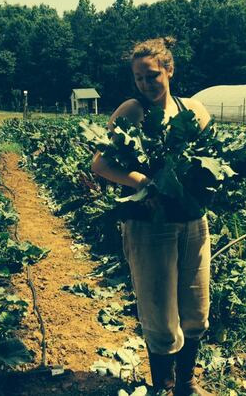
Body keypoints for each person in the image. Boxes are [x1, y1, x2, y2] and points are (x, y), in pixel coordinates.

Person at [91, 37, 214, 396]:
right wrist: (144, 182)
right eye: (139, 78)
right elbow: (100, 163)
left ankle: (187, 383)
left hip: (193, 223)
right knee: (159, 313)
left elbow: (211, 162)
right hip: (150, 226)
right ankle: (165, 384)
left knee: (196, 310)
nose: (146, 84)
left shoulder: (194, 110)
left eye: (152, 75)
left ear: (169, 70)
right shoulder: (131, 111)